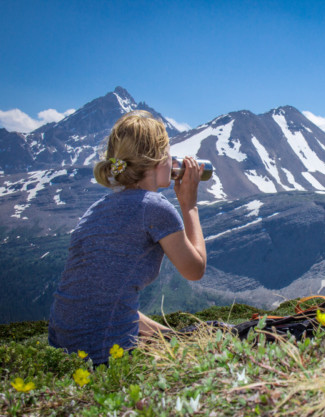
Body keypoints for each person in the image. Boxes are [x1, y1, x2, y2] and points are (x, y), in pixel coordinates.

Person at [48, 110, 206, 365]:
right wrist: (189, 205)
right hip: (103, 357)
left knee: (187, 340)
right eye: (168, 153)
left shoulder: (97, 208)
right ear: (158, 159)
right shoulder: (154, 206)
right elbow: (195, 269)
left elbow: (106, 299)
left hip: (61, 350)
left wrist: (171, 336)